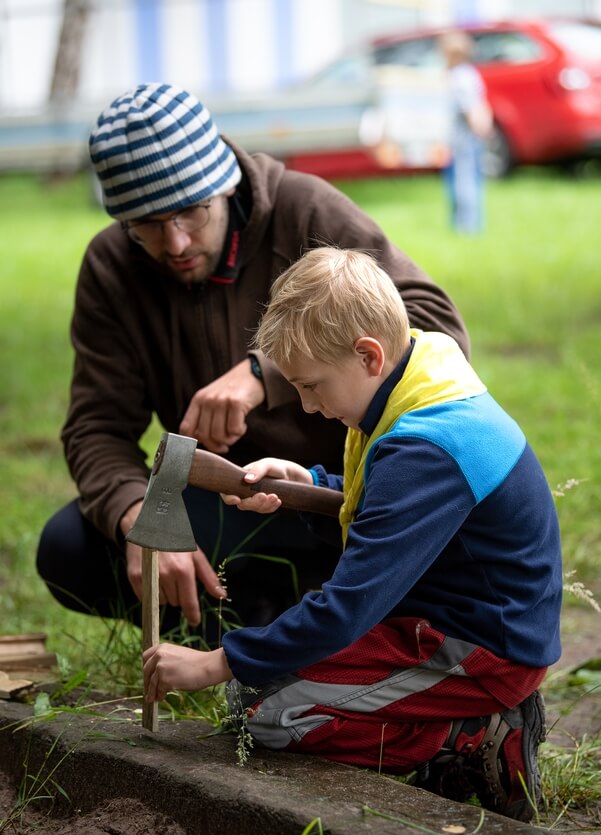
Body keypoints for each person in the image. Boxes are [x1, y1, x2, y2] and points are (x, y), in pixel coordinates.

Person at [35, 83, 470, 642]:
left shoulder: (305, 210)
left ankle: (303, 617)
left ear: (225, 183)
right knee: (69, 547)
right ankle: (242, 621)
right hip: (225, 501)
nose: (175, 242)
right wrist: (142, 517)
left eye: (192, 211)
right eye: (146, 224)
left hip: (342, 498)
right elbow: (96, 427)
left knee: (417, 559)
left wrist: (267, 374)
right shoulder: (111, 267)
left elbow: (434, 329)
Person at [143, 247, 562, 822]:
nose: (310, 408)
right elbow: (396, 501)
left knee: (265, 714)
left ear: (368, 355)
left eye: (312, 387)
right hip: (442, 617)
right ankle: (453, 725)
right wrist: (309, 481)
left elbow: (345, 607)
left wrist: (217, 661)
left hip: (481, 649)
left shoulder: (429, 447)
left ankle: (474, 736)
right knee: (257, 689)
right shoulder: (420, 375)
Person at [439, 30, 493, 233]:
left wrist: (479, 127)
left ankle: (466, 226)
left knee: (464, 181)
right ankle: (463, 223)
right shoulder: (468, 73)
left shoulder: (460, 76)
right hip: (462, 136)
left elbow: (471, 108)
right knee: (466, 179)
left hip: (463, 137)